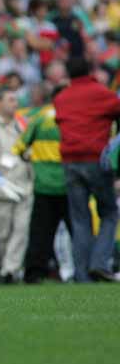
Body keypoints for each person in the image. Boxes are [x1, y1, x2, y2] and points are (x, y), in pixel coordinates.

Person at [53, 57, 120, 282]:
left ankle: (81, 275)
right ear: (90, 71)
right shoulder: (101, 94)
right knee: (109, 213)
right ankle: (100, 263)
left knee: (80, 219)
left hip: (70, 162)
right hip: (95, 160)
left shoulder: (62, 97)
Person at [12, 100, 71, 283]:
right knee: (79, 231)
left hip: (43, 183)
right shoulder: (76, 117)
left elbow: (19, 147)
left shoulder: (39, 119)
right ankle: (86, 270)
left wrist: (31, 157)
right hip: (70, 182)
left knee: (40, 233)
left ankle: (35, 273)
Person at [0, 88, 32, 283]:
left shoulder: (24, 124)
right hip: (1, 186)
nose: (15, 103)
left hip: (24, 183)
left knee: (21, 229)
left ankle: (9, 269)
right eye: (11, 99)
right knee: (1, 232)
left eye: (15, 100)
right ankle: (7, 267)